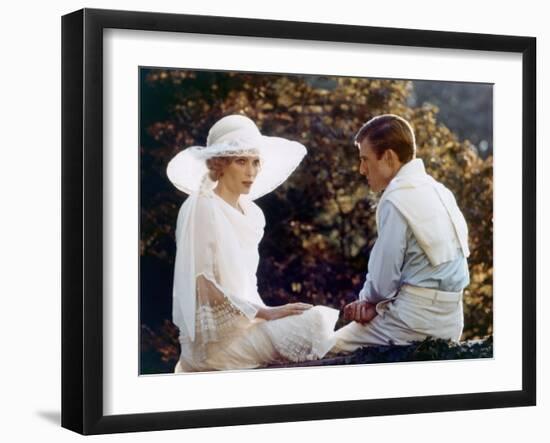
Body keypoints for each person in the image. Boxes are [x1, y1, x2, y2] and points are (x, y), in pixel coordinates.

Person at [167, 114, 339, 372]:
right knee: (317, 322)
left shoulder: (253, 213)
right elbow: (202, 282)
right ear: (219, 165)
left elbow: (248, 283)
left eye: (256, 162)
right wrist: (265, 314)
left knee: (314, 318)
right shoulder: (202, 205)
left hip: (249, 323)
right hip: (218, 343)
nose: (251, 171)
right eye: (241, 161)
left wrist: (267, 312)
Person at [331, 114, 470, 353]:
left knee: (327, 347)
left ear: (388, 157)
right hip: (451, 322)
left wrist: (367, 302)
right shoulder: (440, 190)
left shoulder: (396, 197)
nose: (362, 169)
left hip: (410, 323)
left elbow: (383, 280)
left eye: (365, 159)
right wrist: (376, 305)